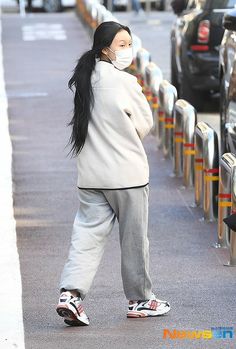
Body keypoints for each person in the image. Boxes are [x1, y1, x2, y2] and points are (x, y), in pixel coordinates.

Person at [56, 21, 170, 327]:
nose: (127, 50)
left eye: (129, 44)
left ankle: (71, 295)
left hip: (91, 176)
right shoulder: (125, 82)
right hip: (127, 176)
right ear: (105, 48)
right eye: (122, 44)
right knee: (134, 240)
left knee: (86, 237)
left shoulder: (83, 79)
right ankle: (141, 299)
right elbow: (144, 124)